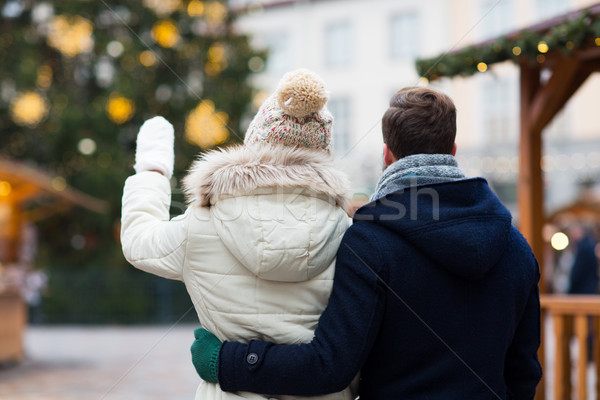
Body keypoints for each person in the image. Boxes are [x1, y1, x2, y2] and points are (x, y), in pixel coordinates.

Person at [190, 87, 543, 399]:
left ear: (387, 154)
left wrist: (226, 361)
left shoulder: (370, 244)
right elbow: (524, 373)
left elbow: (328, 366)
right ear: (452, 150)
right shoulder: (515, 248)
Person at [120, 69, 355, 400]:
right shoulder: (350, 235)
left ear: (253, 145)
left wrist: (152, 170)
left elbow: (138, 243)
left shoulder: (201, 225)